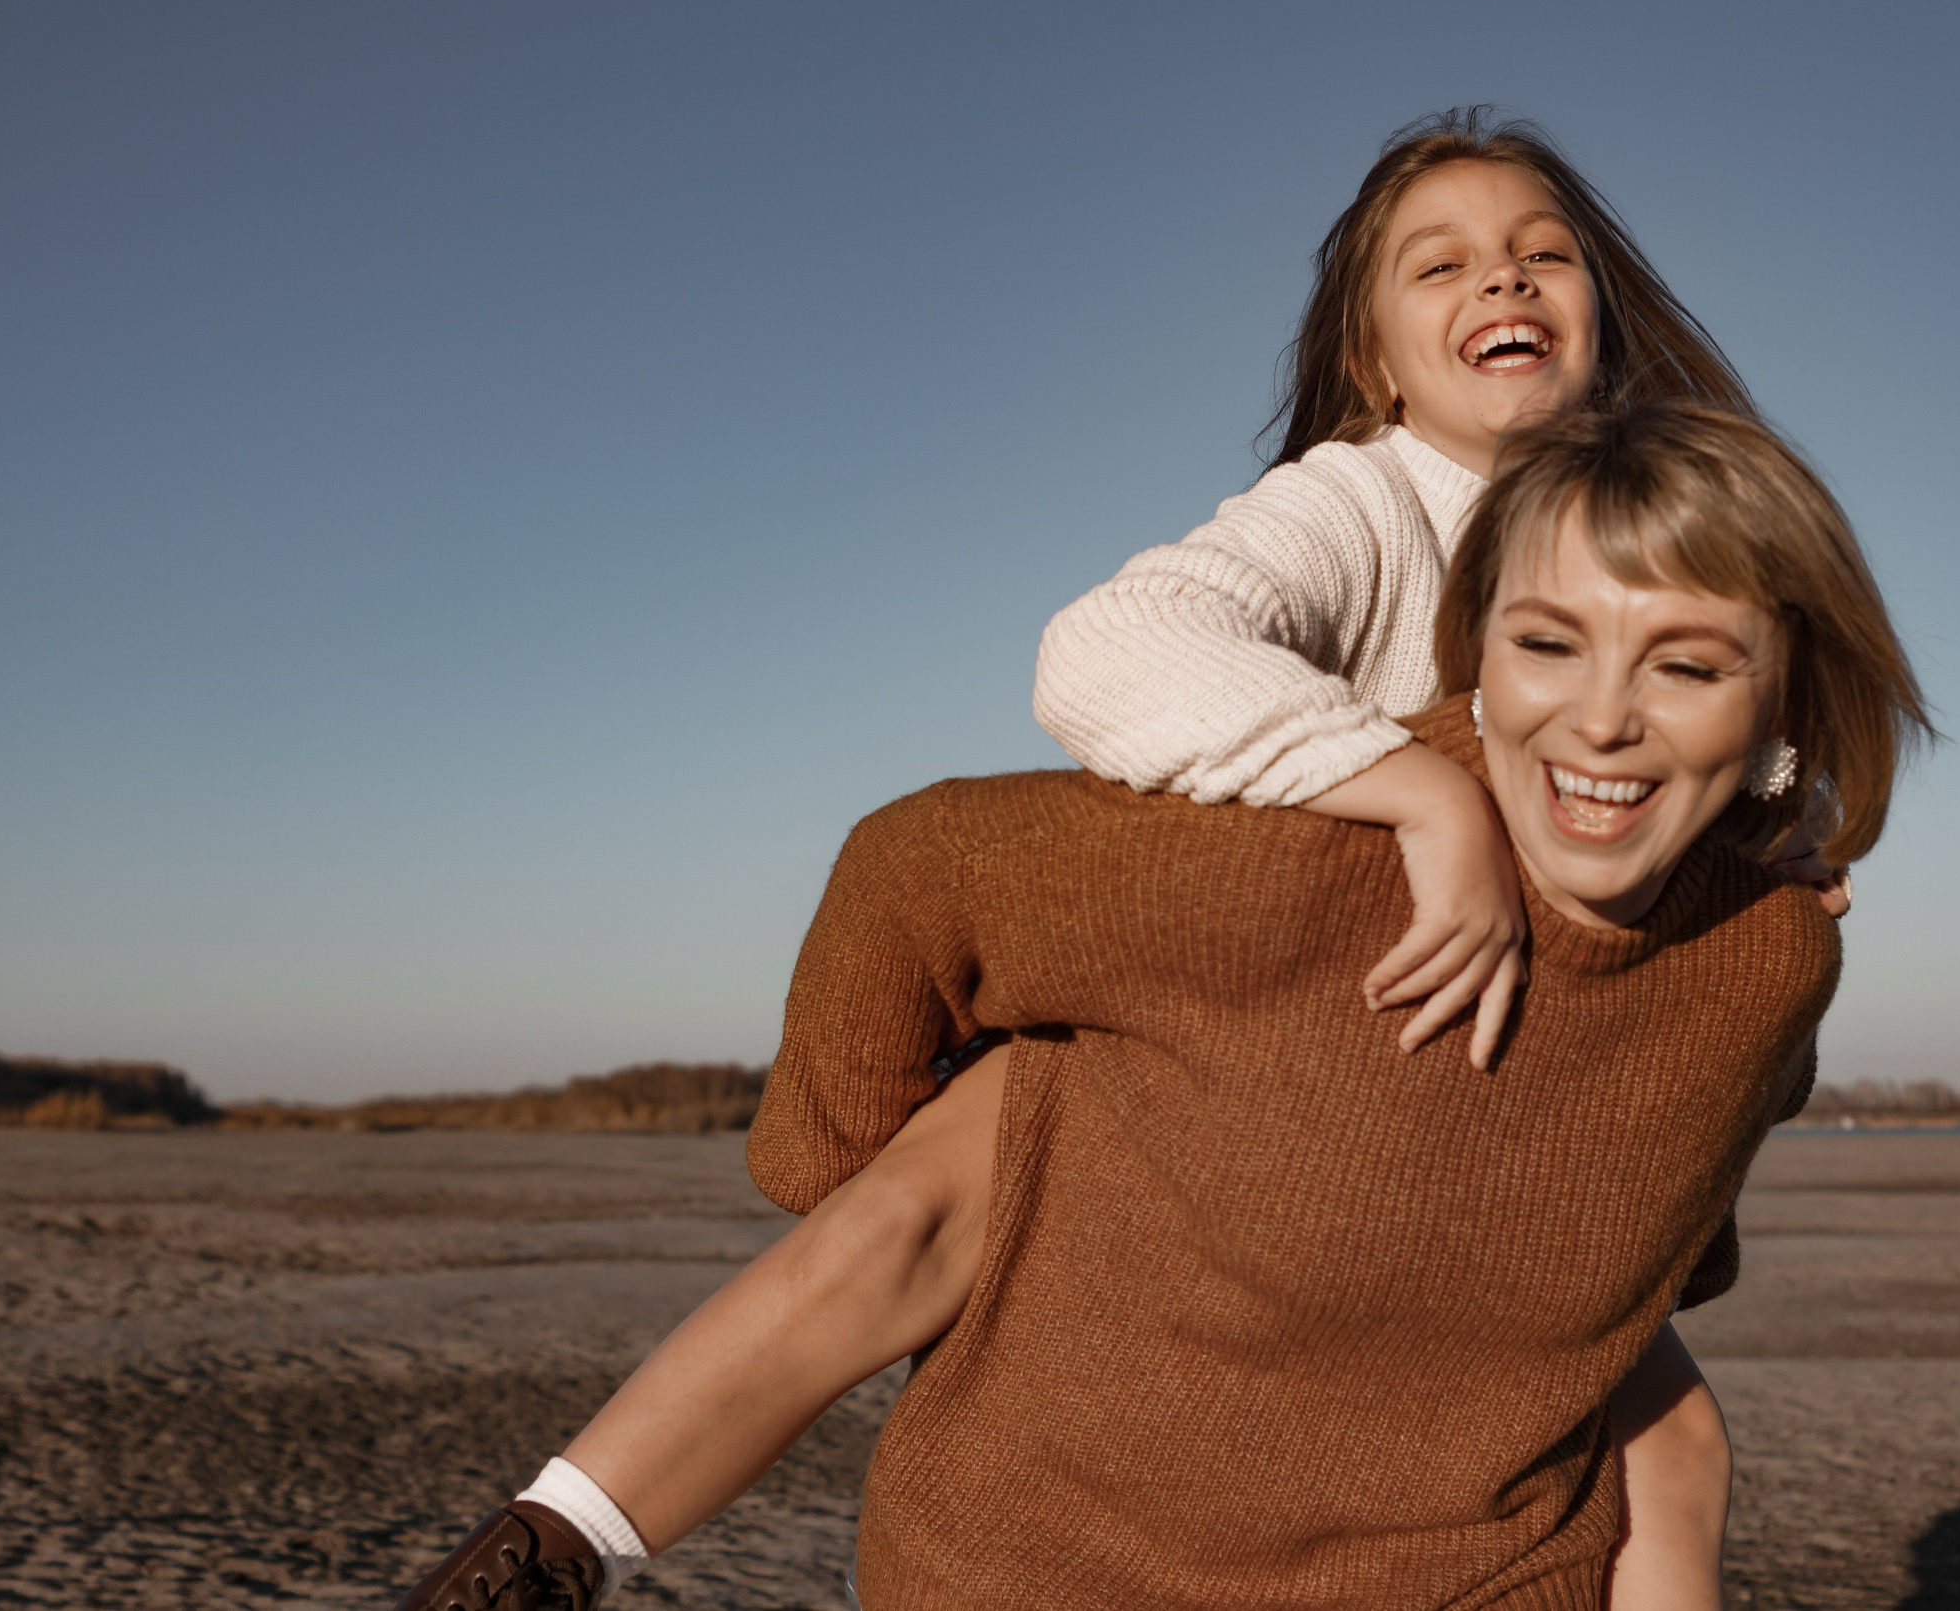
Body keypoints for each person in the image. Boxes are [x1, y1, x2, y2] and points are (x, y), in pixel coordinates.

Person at [395, 112, 1849, 1610]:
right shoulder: (1360, 500)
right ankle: (556, 1543)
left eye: (1547, 256)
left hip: (1488, 1102)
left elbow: (1768, 754)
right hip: (1250, 985)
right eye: (1444, 265)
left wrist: (1782, 823)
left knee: (1674, 1448)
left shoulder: (1680, 514)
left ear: (1605, 322)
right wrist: (1433, 799)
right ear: (1373, 361)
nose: (1506, 282)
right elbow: (1099, 661)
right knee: (925, 1203)